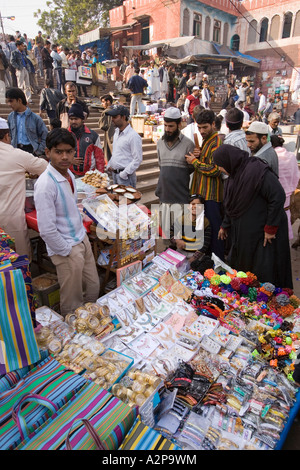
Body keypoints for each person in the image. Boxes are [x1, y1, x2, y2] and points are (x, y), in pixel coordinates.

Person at [34, 128, 100, 315]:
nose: (64, 156)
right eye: (58, 152)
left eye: (68, 152)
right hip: (67, 248)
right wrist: (65, 250)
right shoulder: (46, 184)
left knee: (93, 286)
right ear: (48, 153)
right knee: (72, 298)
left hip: (81, 239)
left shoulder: (69, 174)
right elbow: (46, 229)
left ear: (74, 152)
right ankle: (74, 331)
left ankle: (89, 320)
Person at [214, 144, 293, 289]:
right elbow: (231, 204)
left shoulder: (257, 171)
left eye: (220, 165)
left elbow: (277, 196)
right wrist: (225, 225)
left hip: (263, 234)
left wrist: (270, 228)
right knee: (245, 271)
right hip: (245, 236)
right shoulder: (234, 176)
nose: (220, 169)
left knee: (264, 270)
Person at [0, 117, 47, 259]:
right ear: (7, 136)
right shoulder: (16, 155)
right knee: (18, 261)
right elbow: (44, 168)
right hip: (10, 219)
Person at [186, 109, 224, 260]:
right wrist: (199, 155)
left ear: (213, 124)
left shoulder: (216, 142)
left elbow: (216, 170)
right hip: (202, 193)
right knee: (206, 231)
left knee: (214, 231)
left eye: (205, 127)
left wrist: (194, 161)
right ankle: (208, 263)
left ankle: (218, 266)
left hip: (212, 196)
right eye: (199, 127)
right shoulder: (207, 140)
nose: (201, 131)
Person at [155, 106, 195, 238]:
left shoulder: (189, 144)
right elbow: (162, 167)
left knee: (179, 234)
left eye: (171, 126)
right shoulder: (160, 143)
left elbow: (191, 169)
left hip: (180, 196)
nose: (167, 129)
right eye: (166, 125)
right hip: (165, 195)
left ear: (179, 125)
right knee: (167, 234)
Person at [105, 105, 142, 188]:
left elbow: (138, 159)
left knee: (124, 200)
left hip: (125, 177)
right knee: (117, 200)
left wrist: (124, 173)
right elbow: (116, 153)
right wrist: (110, 165)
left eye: (115, 117)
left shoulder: (133, 136)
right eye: (112, 117)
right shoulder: (116, 132)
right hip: (115, 175)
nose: (112, 120)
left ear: (123, 117)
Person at [271, 134, 299, 240]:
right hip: (288, 196)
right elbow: (296, 175)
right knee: (285, 219)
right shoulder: (291, 156)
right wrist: (291, 188)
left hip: (274, 195)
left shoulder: (273, 156)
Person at [6, 87, 48, 156]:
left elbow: (45, 135)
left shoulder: (35, 118)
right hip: (16, 151)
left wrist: (38, 151)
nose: (9, 104)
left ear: (19, 100)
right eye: (8, 101)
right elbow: (9, 135)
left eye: (11, 101)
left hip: (31, 151)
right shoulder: (10, 117)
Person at [170, 194, 211, 264]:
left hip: (196, 254)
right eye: (193, 204)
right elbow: (170, 232)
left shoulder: (205, 223)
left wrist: (193, 259)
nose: (195, 206)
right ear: (188, 207)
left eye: (199, 204)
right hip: (180, 252)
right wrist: (177, 240)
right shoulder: (181, 219)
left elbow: (205, 244)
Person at [67, 103, 104, 177]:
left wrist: (101, 175)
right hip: (70, 174)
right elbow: (58, 155)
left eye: (76, 119)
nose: (73, 121)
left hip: (89, 176)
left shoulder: (93, 135)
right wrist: (69, 160)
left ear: (82, 119)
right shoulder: (64, 135)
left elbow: (99, 157)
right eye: (71, 119)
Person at [98, 94, 115, 162]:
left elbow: (102, 125)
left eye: (103, 102)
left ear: (108, 101)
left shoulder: (106, 112)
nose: (102, 104)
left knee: (109, 153)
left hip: (110, 134)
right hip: (116, 134)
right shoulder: (116, 109)